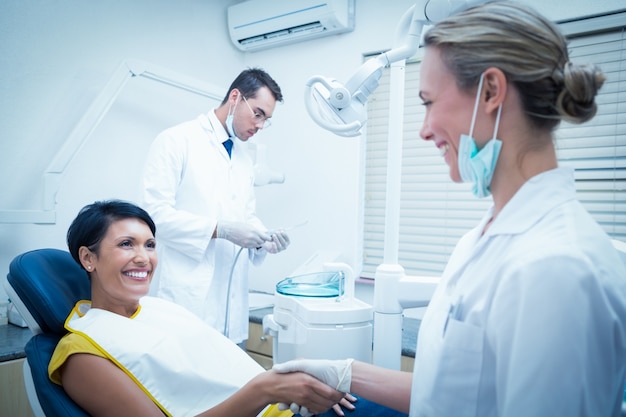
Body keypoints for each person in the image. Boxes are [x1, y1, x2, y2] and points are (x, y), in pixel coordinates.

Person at [273, 2, 626, 416]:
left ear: (491, 91)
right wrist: (347, 372)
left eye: (427, 101)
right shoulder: (485, 239)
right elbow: (456, 393)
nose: (423, 130)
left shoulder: (557, 270)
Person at [48, 200, 343, 417]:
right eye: (127, 244)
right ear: (88, 258)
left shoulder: (160, 309)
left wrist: (298, 384)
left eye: (150, 245)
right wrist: (267, 389)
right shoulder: (82, 354)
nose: (144, 258)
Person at [141, 68, 290, 345]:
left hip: (231, 310)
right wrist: (219, 230)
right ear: (235, 97)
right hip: (188, 302)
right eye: (257, 113)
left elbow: (244, 215)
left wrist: (263, 241)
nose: (259, 125)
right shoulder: (176, 141)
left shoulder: (243, 156)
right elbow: (153, 219)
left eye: (266, 119)